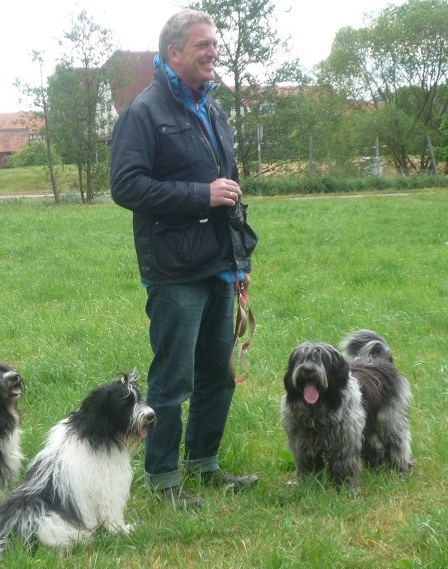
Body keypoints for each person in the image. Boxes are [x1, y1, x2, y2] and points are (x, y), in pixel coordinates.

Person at [110, 9, 259, 509]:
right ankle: (163, 479)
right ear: (174, 53)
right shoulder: (144, 111)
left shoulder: (213, 111)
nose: (213, 51)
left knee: (217, 372)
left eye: (215, 44)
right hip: (174, 270)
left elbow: (230, 189)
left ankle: (204, 464)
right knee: (172, 378)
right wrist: (201, 194)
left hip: (219, 264)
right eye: (203, 45)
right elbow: (126, 186)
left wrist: (241, 259)